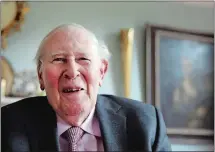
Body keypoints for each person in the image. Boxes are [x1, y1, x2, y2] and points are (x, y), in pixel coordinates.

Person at [2, 24, 171, 151]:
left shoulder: (146, 124)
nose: (72, 72)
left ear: (102, 71)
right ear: (40, 76)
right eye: (59, 59)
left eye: (83, 59)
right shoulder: (7, 124)